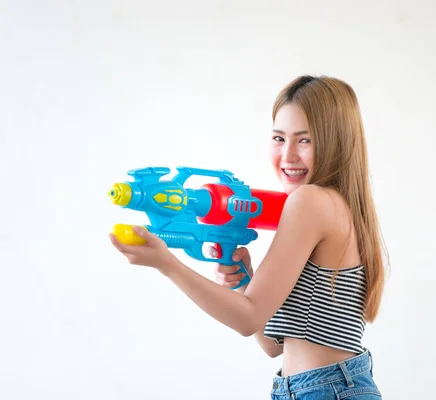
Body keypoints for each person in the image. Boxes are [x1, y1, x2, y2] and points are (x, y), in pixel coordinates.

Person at [110, 75, 388, 399]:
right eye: (279, 138)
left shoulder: (310, 201)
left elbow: (246, 319)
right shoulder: (338, 204)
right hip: (321, 387)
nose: (288, 156)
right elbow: (273, 345)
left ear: (336, 142)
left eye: (305, 140)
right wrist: (245, 282)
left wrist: (166, 263)